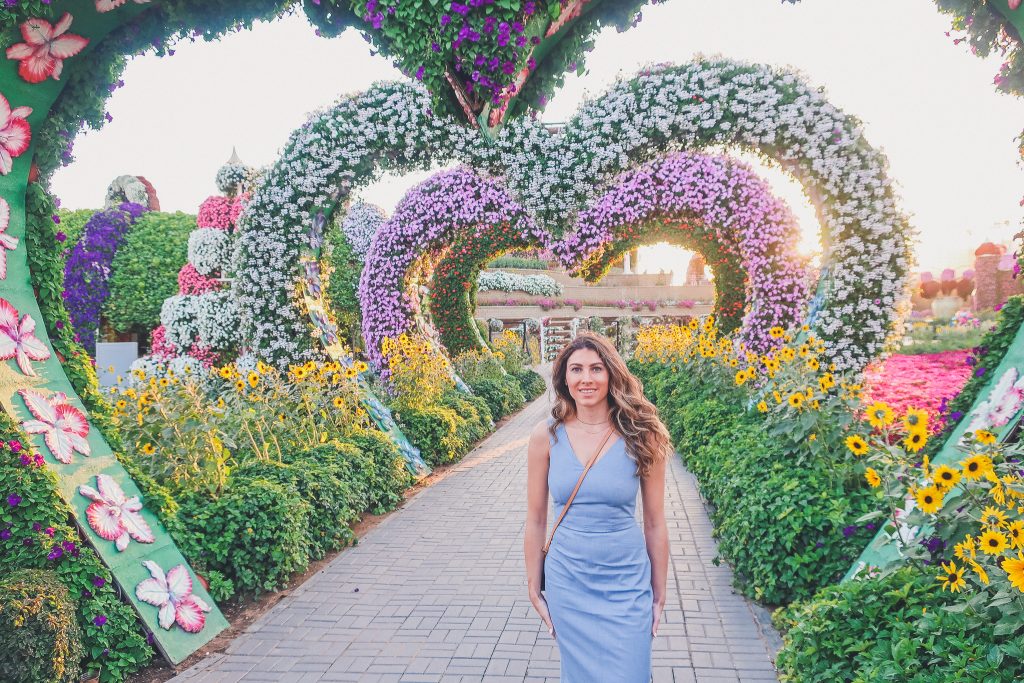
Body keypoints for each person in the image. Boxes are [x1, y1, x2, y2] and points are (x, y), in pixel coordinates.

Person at [524, 332, 671, 682]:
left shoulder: (642, 434)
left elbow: (655, 522)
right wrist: (532, 584)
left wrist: (659, 593)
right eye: (576, 369)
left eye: (596, 369)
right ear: (563, 378)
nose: (586, 379)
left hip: (626, 581)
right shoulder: (545, 436)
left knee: (632, 674)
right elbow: (536, 518)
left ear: (611, 375)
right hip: (568, 580)